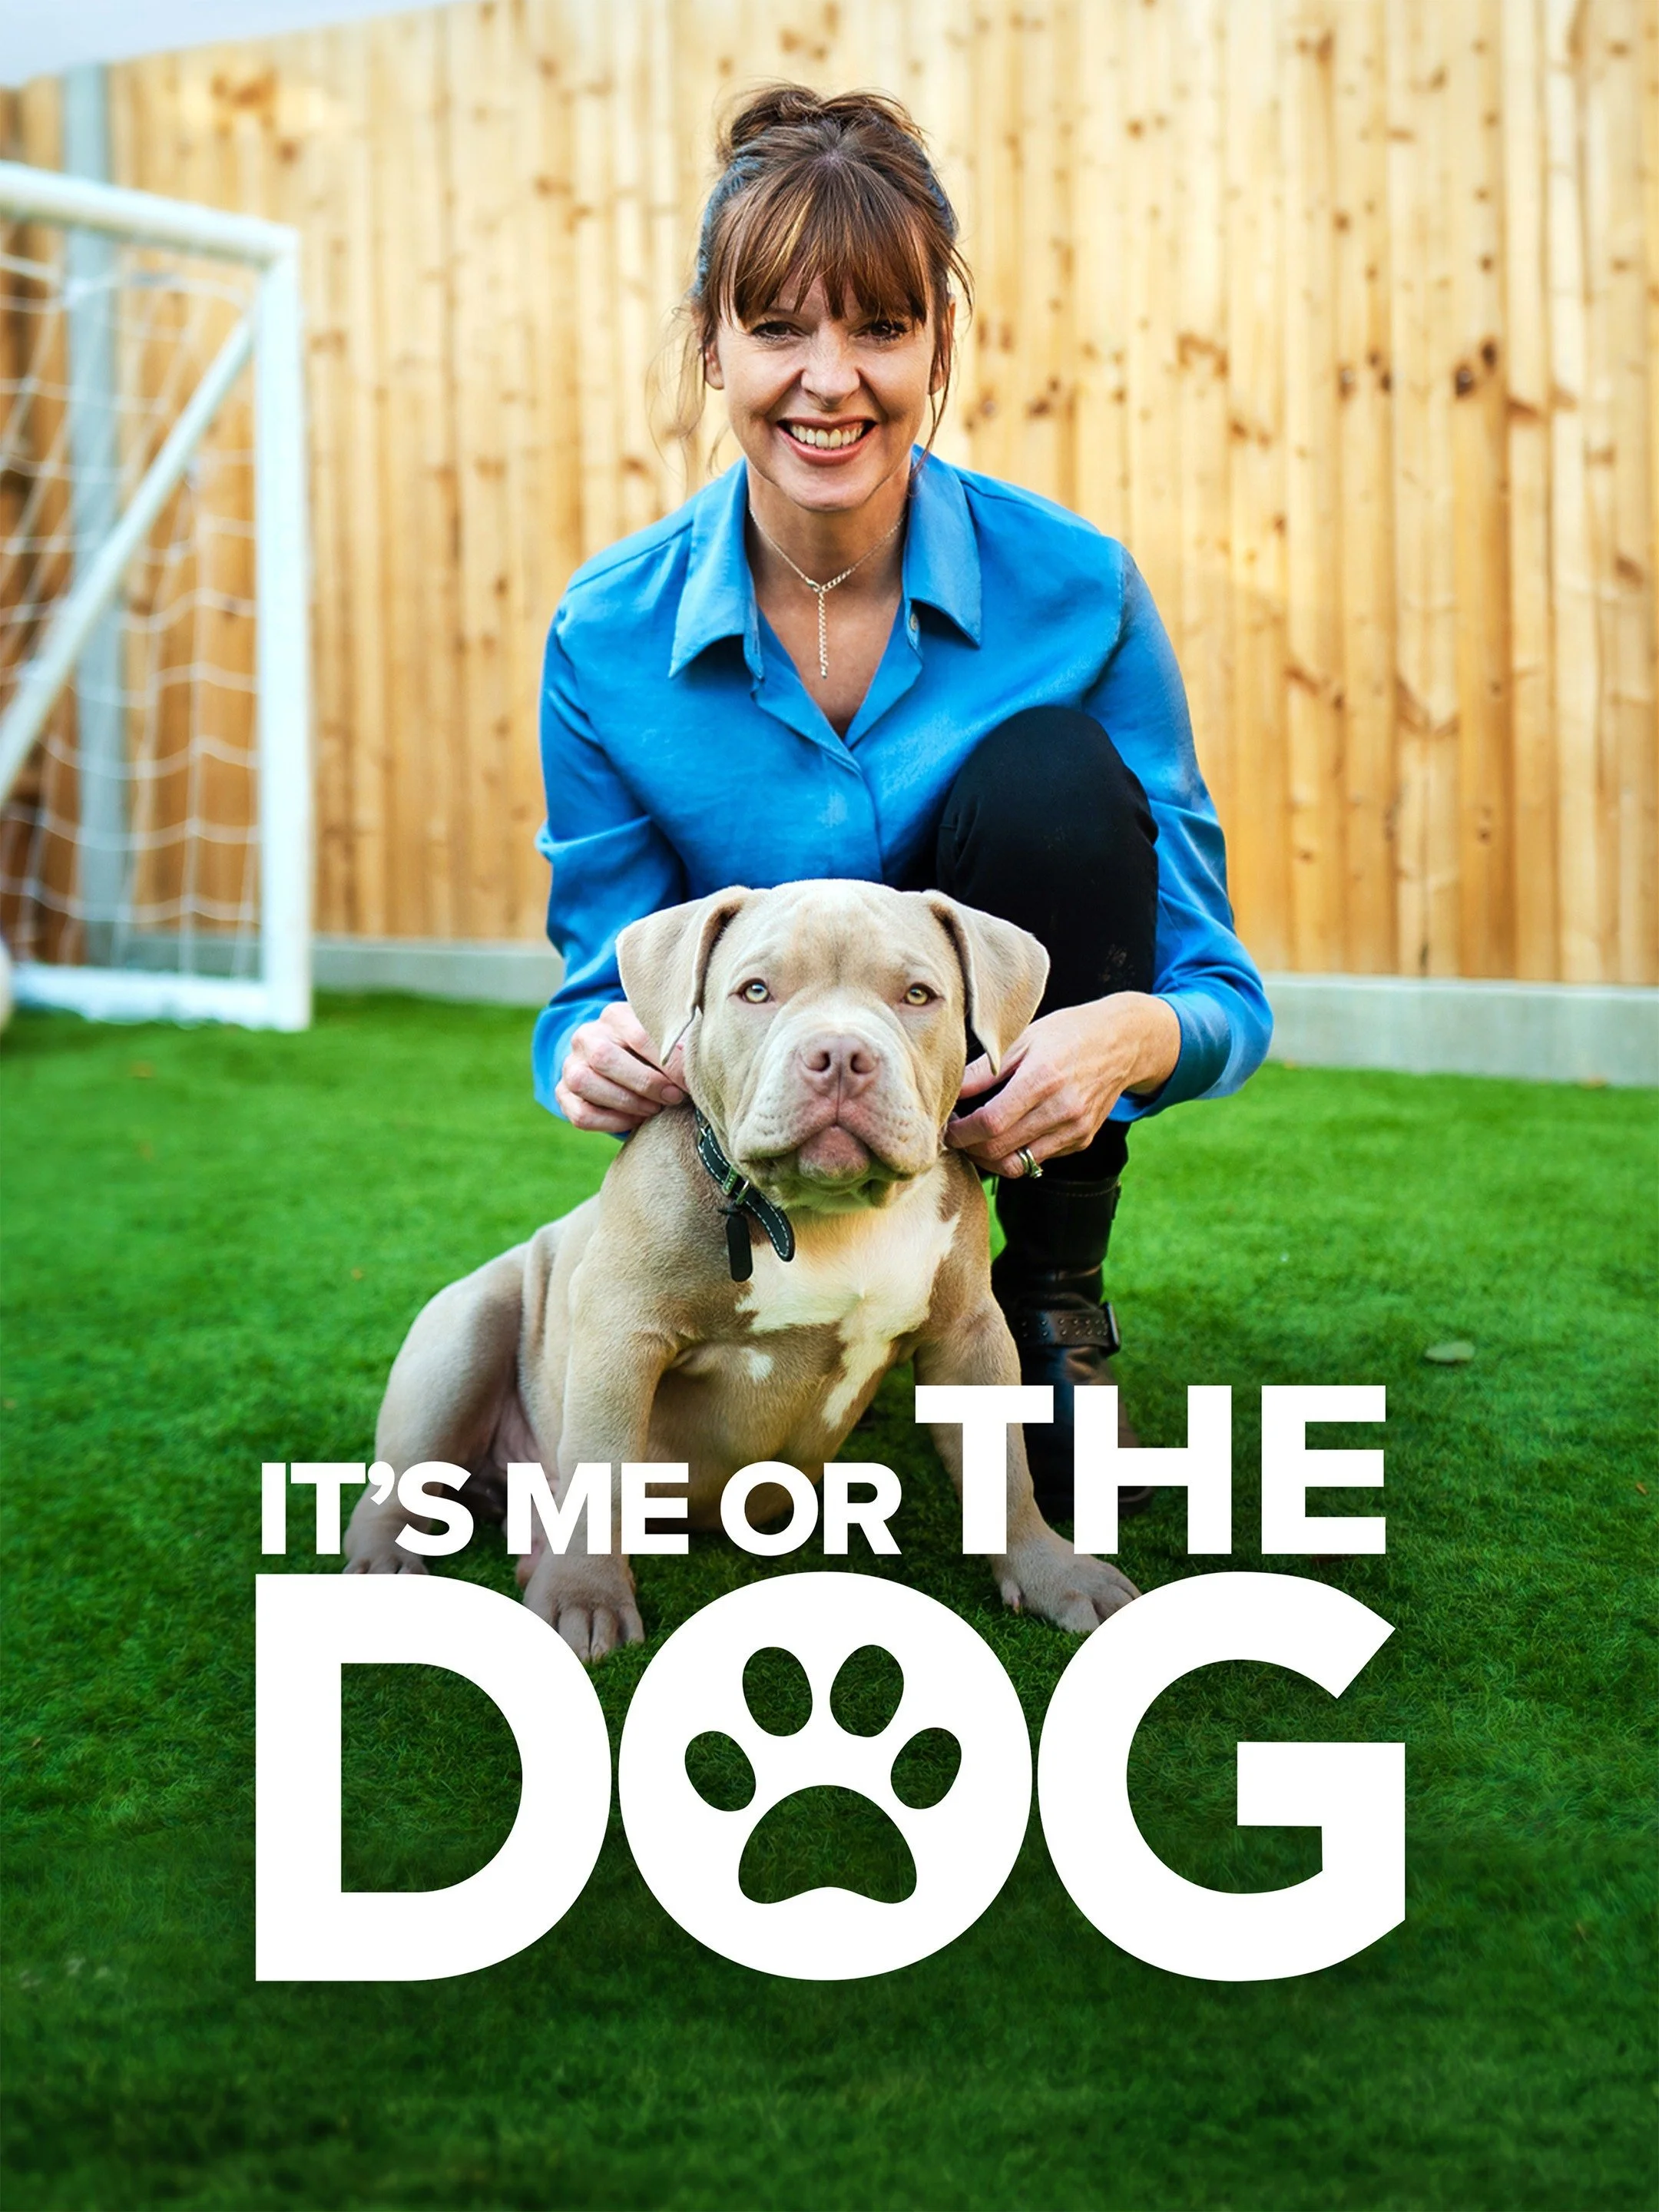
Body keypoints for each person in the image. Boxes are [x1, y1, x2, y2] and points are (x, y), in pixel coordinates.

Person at [532, 84, 1270, 1520]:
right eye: (779, 329)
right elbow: (590, 980)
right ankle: (771, 1324)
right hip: (742, 1177)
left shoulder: (1077, 590)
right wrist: (587, 1051)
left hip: (981, 1112)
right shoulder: (607, 639)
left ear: (939, 343)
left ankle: (1040, 1294)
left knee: (1052, 771)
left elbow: (1218, 984)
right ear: (710, 345)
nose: (830, 381)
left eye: (880, 327)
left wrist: (1129, 1037)